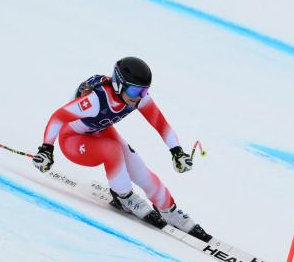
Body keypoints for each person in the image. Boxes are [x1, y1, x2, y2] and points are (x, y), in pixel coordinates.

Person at [32, 57, 211, 242]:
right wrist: (46, 149)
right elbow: (58, 117)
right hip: (73, 140)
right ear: (119, 85)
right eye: (135, 90)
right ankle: (123, 196)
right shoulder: (96, 99)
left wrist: (177, 151)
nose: (140, 96)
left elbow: (159, 123)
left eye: (145, 90)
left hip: (100, 131)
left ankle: (168, 209)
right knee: (112, 150)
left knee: (138, 166)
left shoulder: (136, 97)